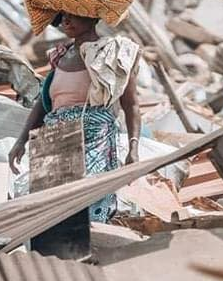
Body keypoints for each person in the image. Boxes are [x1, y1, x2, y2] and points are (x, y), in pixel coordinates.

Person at [8, 13, 141, 223]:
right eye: (63, 17)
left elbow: (131, 105)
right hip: (53, 141)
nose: (66, 22)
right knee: (49, 217)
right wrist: (21, 141)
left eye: (74, 16)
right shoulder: (61, 56)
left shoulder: (112, 53)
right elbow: (43, 105)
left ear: (93, 17)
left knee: (85, 210)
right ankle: (48, 257)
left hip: (93, 141)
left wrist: (133, 148)